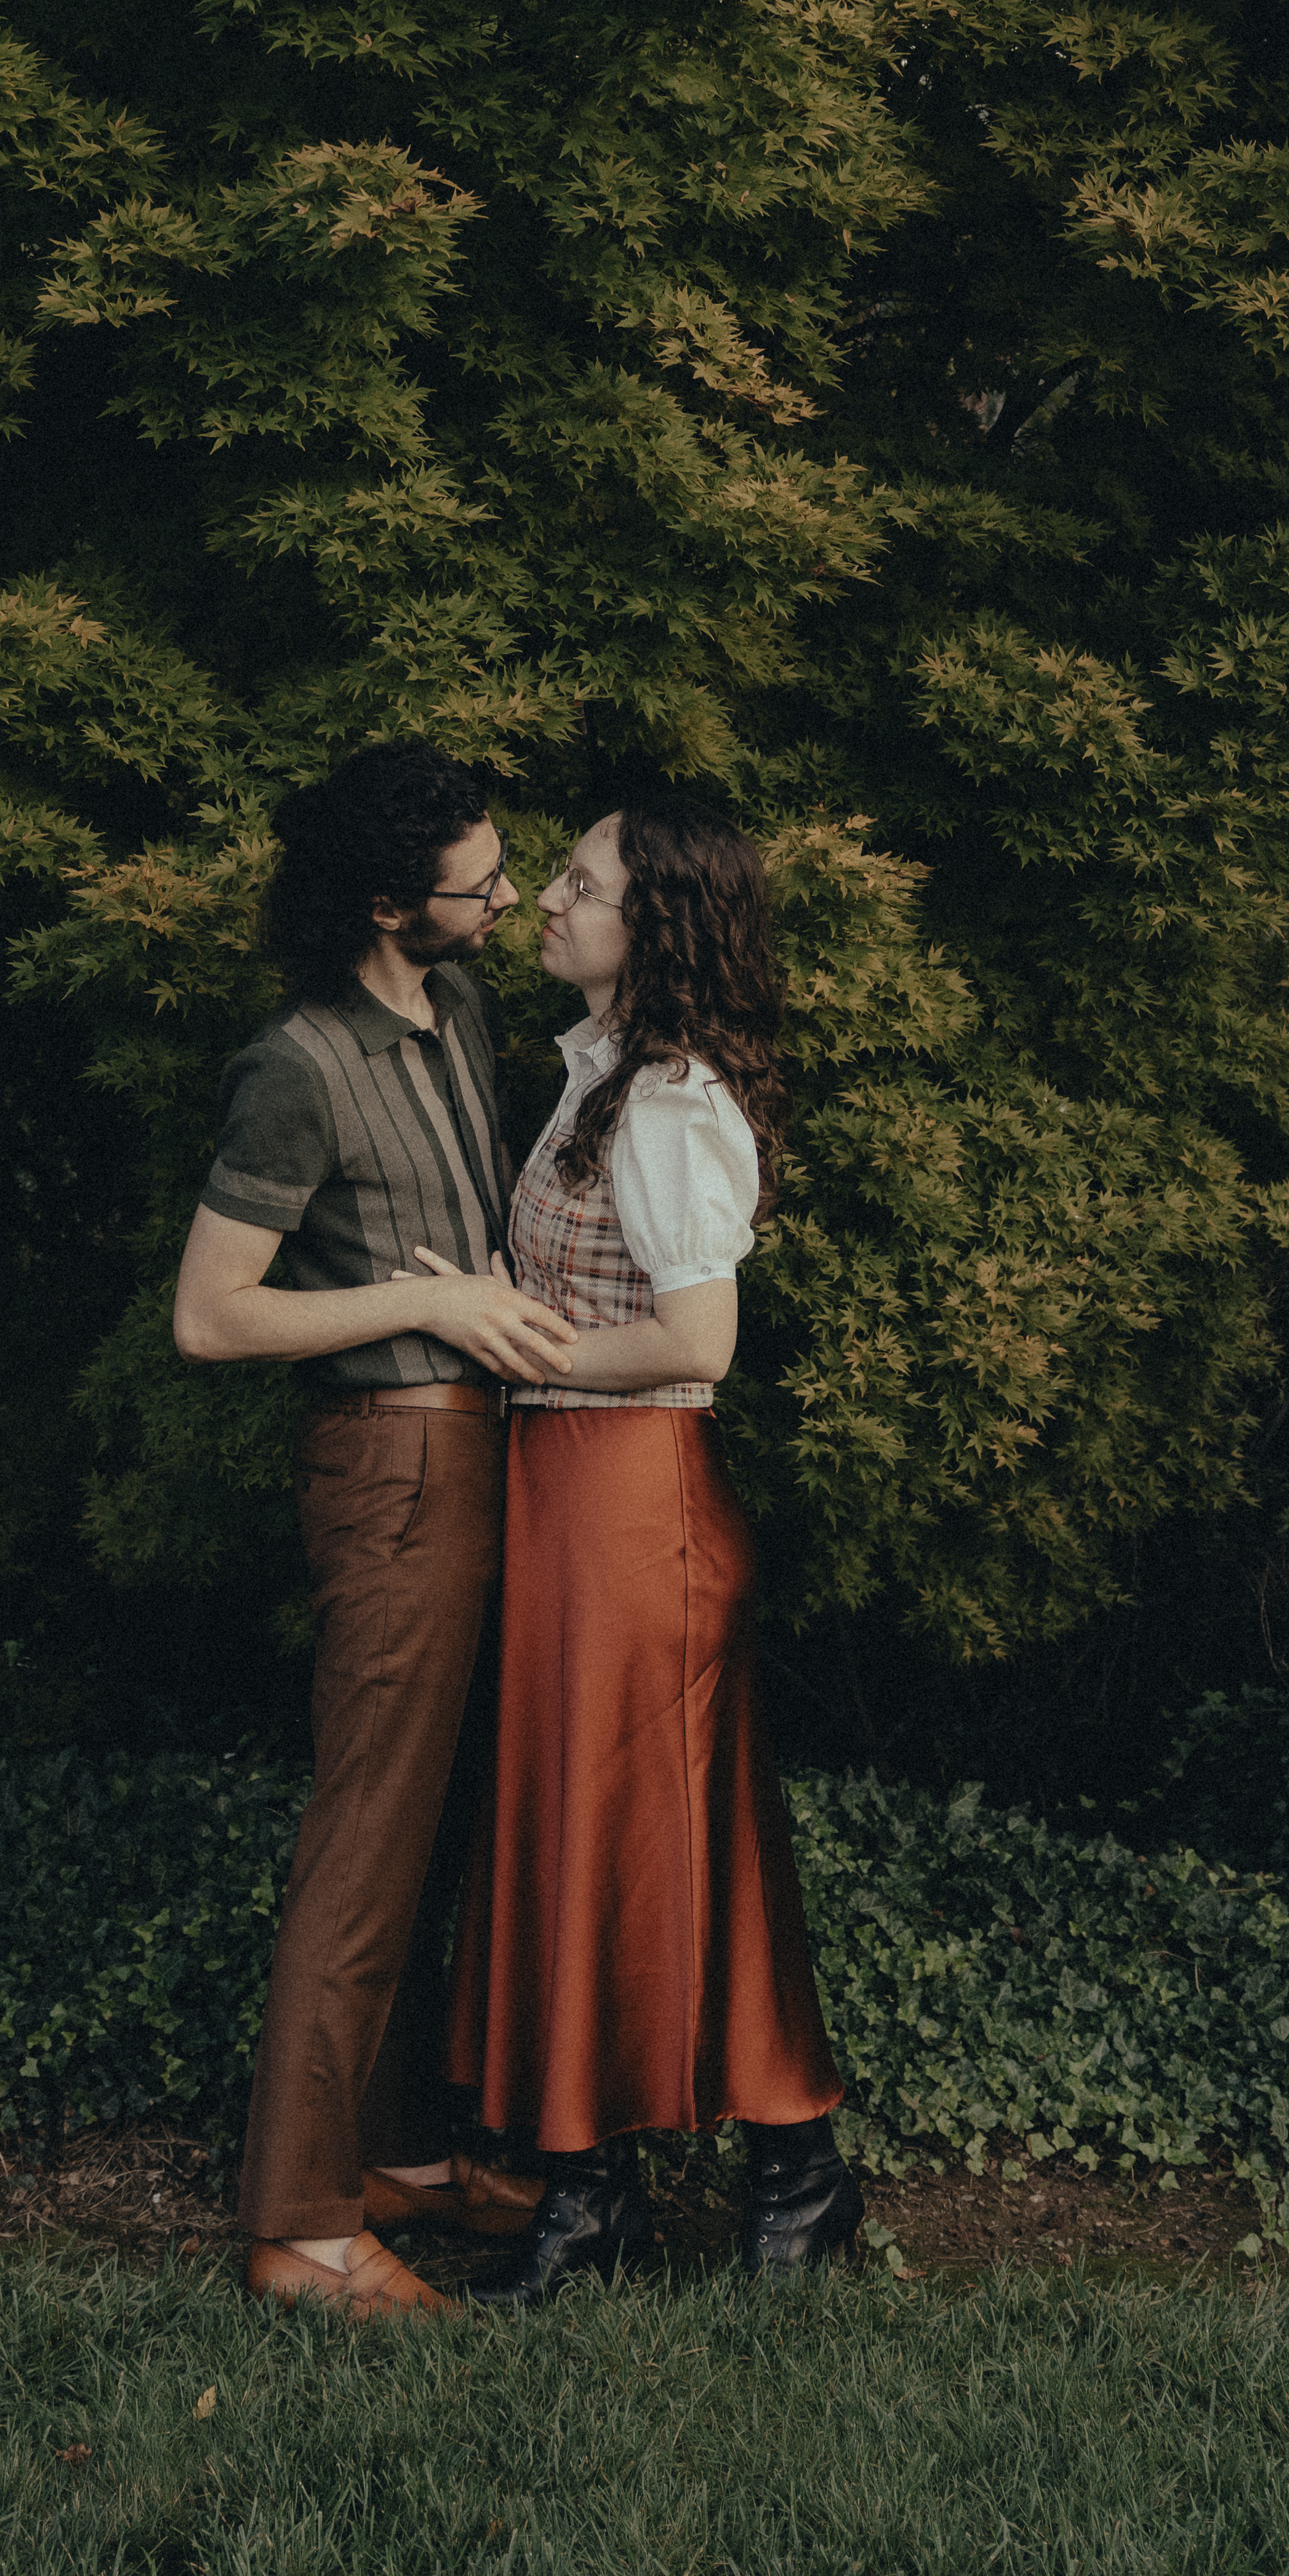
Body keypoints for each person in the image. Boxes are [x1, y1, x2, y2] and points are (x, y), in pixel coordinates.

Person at [172, 738, 578, 2318]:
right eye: (479, 881)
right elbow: (209, 1319)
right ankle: (296, 2228)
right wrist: (427, 1299)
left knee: (445, 1825)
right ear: (384, 903)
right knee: (364, 1840)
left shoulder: (461, 1007)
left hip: (489, 1460)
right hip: (388, 1466)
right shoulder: (295, 1062)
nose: (507, 894)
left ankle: (397, 2156)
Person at [442, 800, 862, 2295]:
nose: (548, 899)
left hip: (632, 1507)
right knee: (583, 1836)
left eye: (581, 884)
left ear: (657, 922)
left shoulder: (674, 1102)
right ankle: (610, 2187)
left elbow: (696, 1341)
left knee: (645, 1843)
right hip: (571, 1494)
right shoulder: (597, 1076)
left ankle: (732, 2180)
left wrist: (513, 1346)